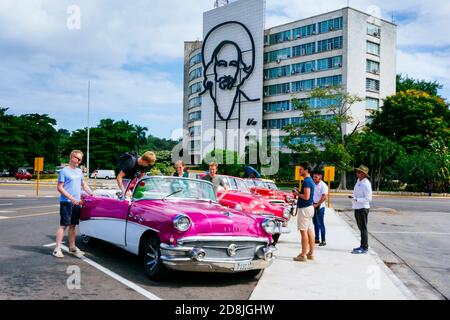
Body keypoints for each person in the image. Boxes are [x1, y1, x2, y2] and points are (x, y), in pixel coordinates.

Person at [53, 150, 93, 258]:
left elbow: (84, 185)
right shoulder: (64, 171)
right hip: (66, 202)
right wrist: (71, 198)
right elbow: (59, 187)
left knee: (73, 225)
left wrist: (93, 194)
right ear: (72, 157)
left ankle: (72, 247)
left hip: (77, 202)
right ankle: (57, 249)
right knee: (64, 225)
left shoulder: (79, 171)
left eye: (81, 160)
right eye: (78, 159)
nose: (79, 162)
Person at [292, 161, 315, 262]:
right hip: (309, 208)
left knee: (303, 232)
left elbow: (306, 197)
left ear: (306, 170)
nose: (299, 171)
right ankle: (311, 253)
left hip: (305, 209)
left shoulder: (306, 181)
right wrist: (299, 191)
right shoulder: (310, 180)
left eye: (301, 169)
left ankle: (303, 254)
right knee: (309, 231)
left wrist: (297, 194)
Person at [351, 165, 373, 254]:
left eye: (359, 172)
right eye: (357, 171)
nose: (357, 173)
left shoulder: (366, 184)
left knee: (363, 228)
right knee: (360, 228)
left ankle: (364, 248)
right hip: (357, 207)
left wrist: (357, 199)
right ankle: (362, 245)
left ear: (364, 174)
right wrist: (354, 198)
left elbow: (369, 198)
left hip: (363, 208)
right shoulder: (358, 181)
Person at [312, 170, 328, 247]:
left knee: (321, 223)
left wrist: (317, 204)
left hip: (320, 207)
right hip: (313, 206)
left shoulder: (323, 185)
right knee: (315, 223)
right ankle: (317, 238)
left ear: (320, 176)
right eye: (313, 177)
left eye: (316, 177)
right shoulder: (313, 184)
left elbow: (324, 196)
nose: (314, 178)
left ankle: (323, 240)